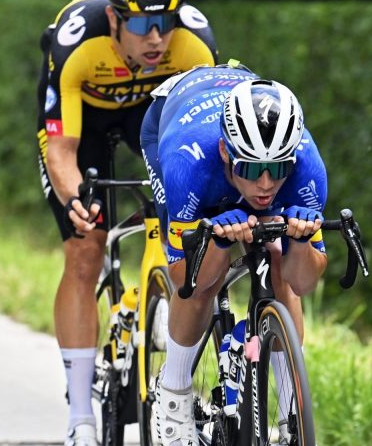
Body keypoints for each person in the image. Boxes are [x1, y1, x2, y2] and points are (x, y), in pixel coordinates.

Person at [34, 0, 218, 444]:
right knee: (85, 246)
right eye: (141, 24)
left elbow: (206, 141)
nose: (156, 38)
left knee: (189, 214)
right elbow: (61, 150)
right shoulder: (76, 43)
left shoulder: (196, 47)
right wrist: (77, 198)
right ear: (114, 17)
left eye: (166, 22)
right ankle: (80, 417)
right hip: (86, 120)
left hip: (152, 113)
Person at [139, 62, 328, 445]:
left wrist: (302, 240)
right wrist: (220, 242)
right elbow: (183, 279)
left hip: (230, 111)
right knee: (201, 285)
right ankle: (173, 395)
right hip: (172, 120)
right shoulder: (185, 162)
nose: (265, 184)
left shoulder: (307, 167)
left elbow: (303, 282)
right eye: (251, 167)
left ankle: (291, 411)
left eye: (278, 170)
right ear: (227, 151)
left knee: (279, 255)